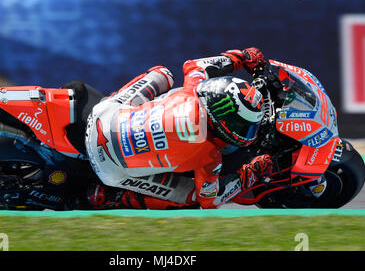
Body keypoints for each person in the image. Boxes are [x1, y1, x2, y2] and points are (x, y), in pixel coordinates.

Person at [84, 47, 273, 209]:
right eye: (242, 126)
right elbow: (210, 201)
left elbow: (193, 65)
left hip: (101, 117)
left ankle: (116, 100)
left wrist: (240, 57)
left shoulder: (193, 88)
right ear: (223, 123)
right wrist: (251, 173)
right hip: (109, 170)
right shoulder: (209, 157)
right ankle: (117, 198)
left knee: (163, 74)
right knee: (192, 198)